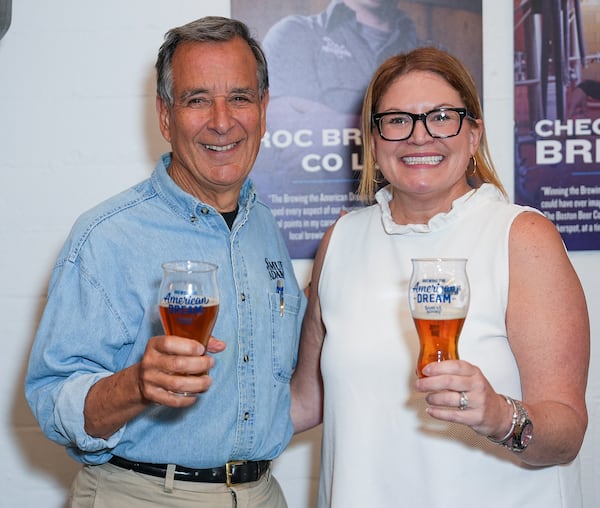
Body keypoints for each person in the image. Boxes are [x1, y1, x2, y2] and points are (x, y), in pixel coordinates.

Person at [25, 16, 306, 508]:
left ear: (263, 109)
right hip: (145, 496)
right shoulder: (106, 236)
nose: (222, 120)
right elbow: (52, 398)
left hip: (261, 494)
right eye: (197, 99)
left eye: (239, 97)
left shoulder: (263, 225)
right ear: (164, 115)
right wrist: (136, 384)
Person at [291, 46, 590, 507]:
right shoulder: (342, 239)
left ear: (473, 135)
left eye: (442, 117)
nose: (419, 136)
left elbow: (566, 434)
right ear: (373, 140)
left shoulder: (521, 237)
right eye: (397, 120)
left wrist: (497, 415)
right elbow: (306, 402)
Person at [251, 0, 423, 259]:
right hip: (304, 241)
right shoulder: (294, 34)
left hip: (403, 245)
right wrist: (389, 126)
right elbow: (284, 134)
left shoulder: (422, 48)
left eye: (398, 120)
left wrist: (328, 121)